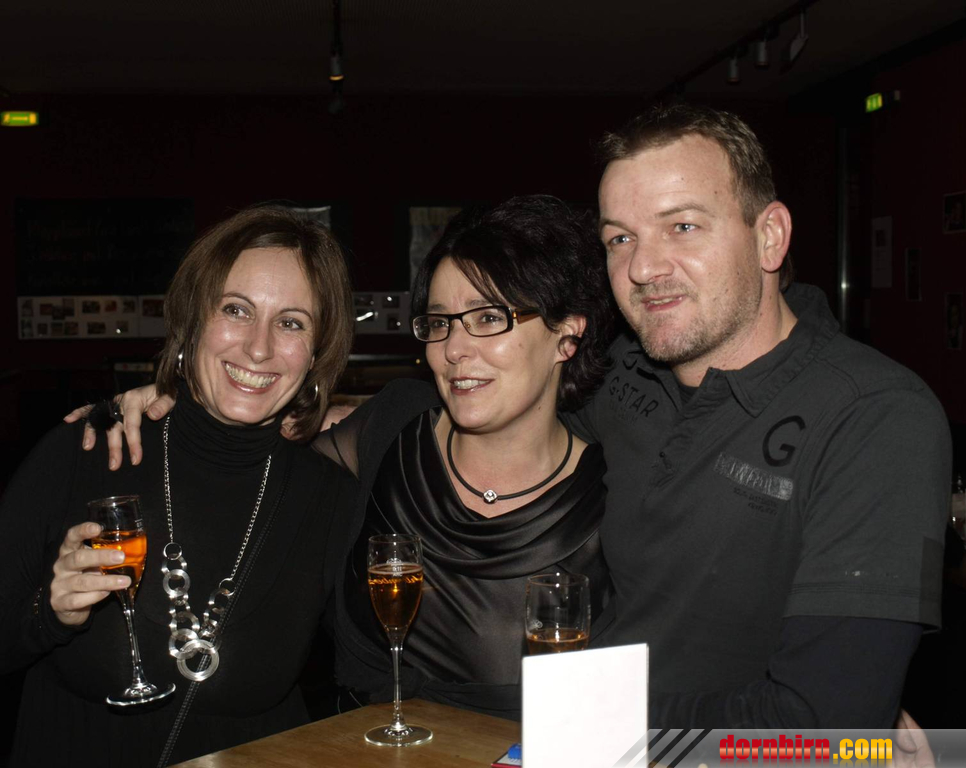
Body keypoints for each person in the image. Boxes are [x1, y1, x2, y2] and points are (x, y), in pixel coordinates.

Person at [67, 195, 617, 720]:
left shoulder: (617, 486)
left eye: (489, 318)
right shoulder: (394, 425)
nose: (453, 349)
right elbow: (260, 459)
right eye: (440, 322)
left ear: (567, 333)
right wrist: (175, 404)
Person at [566, 101, 950, 728]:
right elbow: (511, 433)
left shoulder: (875, 416)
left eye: (682, 226)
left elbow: (824, 729)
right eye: (620, 239)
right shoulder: (620, 372)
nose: (642, 268)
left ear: (769, 236)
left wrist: (584, 717)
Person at [2, 206, 358, 766]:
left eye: (291, 322)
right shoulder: (87, 450)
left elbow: (377, 679)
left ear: (316, 352)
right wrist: (49, 612)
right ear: (192, 321)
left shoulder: (330, 499)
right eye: (236, 310)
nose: (259, 347)